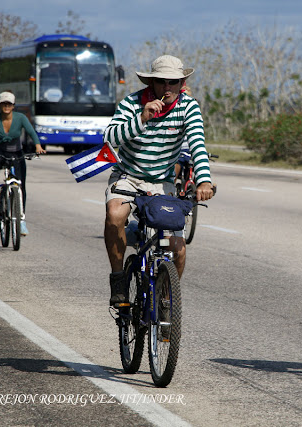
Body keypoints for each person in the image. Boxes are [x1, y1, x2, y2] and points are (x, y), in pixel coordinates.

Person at [103, 55, 214, 307]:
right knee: (114, 215)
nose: (167, 88)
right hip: (128, 175)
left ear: (182, 82)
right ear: (151, 83)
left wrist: (204, 181)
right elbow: (110, 138)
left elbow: (197, 144)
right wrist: (141, 119)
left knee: (178, 248)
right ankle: (118, 279)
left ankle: (166, 298)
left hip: (161, 181)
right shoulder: (131, 103)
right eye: (161, 82)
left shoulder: (189, 107)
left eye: (173, 82)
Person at [0, 91, 45, 236]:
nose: (6, 106)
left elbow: (31, 132)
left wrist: (38, 146)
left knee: (21, 186)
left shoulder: (20, 118)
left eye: (9, 104)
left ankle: (21, 221)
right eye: (4, 104)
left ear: (13, 106)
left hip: (16, 152)